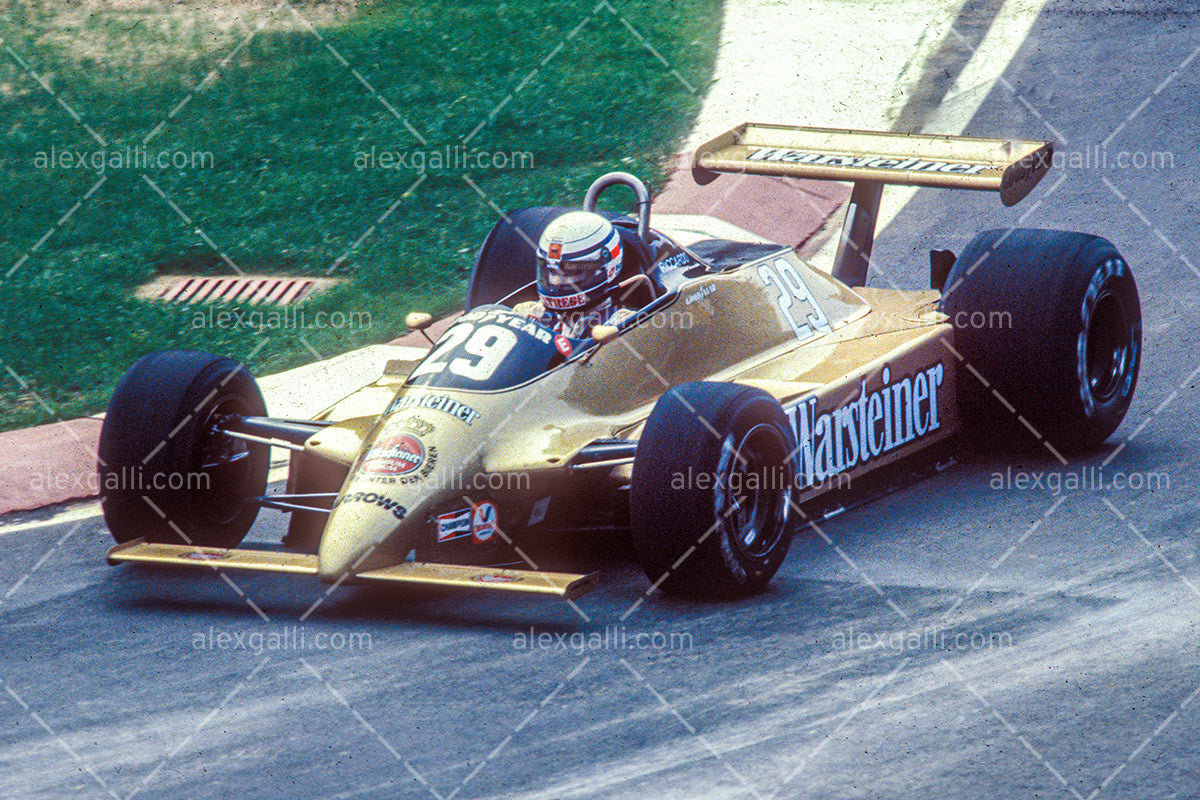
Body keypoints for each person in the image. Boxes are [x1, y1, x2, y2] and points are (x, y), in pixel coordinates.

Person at [514, 211, 637, 339]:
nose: (556, 281)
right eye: (551, 271)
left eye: (570, 272)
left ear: (608, 268)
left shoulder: (622, 323)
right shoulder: (533, 312)